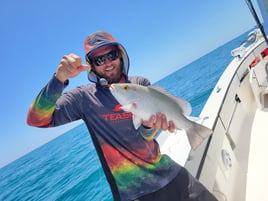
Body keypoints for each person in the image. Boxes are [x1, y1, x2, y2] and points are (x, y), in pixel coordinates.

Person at [27, 31, 217, 201]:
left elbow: (146, 138)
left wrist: (150, 127)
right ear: (91, 66)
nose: (107, 63)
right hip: (133, 194)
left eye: (111, 55)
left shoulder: (140, 84)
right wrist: (59, 79)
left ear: (120, 55)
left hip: (170, 174)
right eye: (99, 60)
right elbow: (36, 120)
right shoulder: (83, 98)